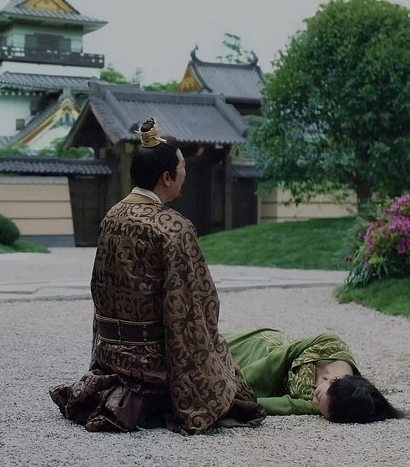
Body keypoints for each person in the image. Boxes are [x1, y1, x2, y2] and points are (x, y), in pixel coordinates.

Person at [49, 118, 266, 435]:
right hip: (152, 360)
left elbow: (100, 288)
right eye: (182, 167)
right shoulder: (173, 227)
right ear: (166, 177)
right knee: (229, 376)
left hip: (110, 355)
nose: (185, 173)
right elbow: (193, 305)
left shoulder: (112, 216)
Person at [225, 328, 408, 423]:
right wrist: (233, 384)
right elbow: (286, 354)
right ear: (336, 379)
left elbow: (282, 405)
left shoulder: (330, 405)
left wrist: (230, 401)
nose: (314, 400)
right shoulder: (331, 344)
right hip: (263, 350)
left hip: (257, 383)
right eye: (319, 396)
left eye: (320, 408)